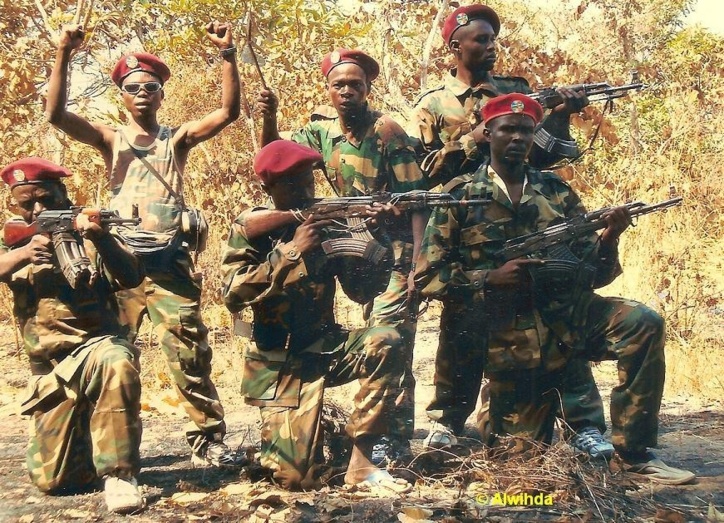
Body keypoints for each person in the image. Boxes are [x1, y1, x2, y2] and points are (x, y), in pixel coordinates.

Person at [414, 93, 696, 485]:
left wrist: (609, 239)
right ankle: (490, 406)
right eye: (508, 129)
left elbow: (592, 275)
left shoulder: (557, 192)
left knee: (641, 322)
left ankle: (634, 455)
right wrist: (488, 280)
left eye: (526, 131)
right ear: (488, 132)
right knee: (520, 468)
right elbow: (428, 277)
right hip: (503, 333)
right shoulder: (460, 196)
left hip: (565, 314)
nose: (517, 138)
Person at [408, 4, 609, 456]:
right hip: (464, 215)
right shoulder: (433, 103)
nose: (491, 47)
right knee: (462, 317)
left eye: (494, 39)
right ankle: (446, 418)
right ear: (455, 46)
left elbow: (550, 155)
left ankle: (561, 416)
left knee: (544, 313)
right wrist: (473, 139)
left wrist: (559, 115)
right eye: (480, 39)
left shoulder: (518, 93)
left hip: (524, 208)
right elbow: (423, 172)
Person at [45, 22, 242, 467]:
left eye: (150, 87)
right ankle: (112, 452)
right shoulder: (111, 140)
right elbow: (56, 115)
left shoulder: (176, 140)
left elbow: (228, 113)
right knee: (114, 353)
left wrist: (228, 56)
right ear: (122, 94)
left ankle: (208, 439)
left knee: (188, 349)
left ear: (161, 94)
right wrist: (63, 53)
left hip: (170, 265)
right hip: (120, 267)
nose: (141, 93)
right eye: (132, 87)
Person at [257, 49, 427, 463]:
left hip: (393, 249)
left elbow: (419, 201)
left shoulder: (387, 131)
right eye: (339, 85)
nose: (347, 91)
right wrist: (269, 117)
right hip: (346, 245)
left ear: (368, 88)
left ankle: (392, 434)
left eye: (356, 84)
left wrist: (418, 259)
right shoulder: (320, 133)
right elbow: (276, 160)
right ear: (328, 91)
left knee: (392, 334)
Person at [221, 140, 412, 492]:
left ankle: (362, 464)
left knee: (386, 340)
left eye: (308, 181)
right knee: (297, 479)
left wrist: (381, 234)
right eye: (292, 184)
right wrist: (292, 251)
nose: (305, 190)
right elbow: (233, 294)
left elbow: (360, 292)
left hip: (325, 347)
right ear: (268, 189)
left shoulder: (327, 223)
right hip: (277, 362)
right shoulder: (250, 230)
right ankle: (310, 434)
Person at [0, 158, 146, 513]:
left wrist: (102, 239)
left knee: (117, 359)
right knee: (55, 482)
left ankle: (119, 474)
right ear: (14, 205)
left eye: (46, 198)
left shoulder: (90, 231)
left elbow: (132, 277)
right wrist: (24, 253)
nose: (38, 208)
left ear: (63, 193)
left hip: (97, 351)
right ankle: (87, 444)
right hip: (52, 372)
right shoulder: (14, 240)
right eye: (27, 204)